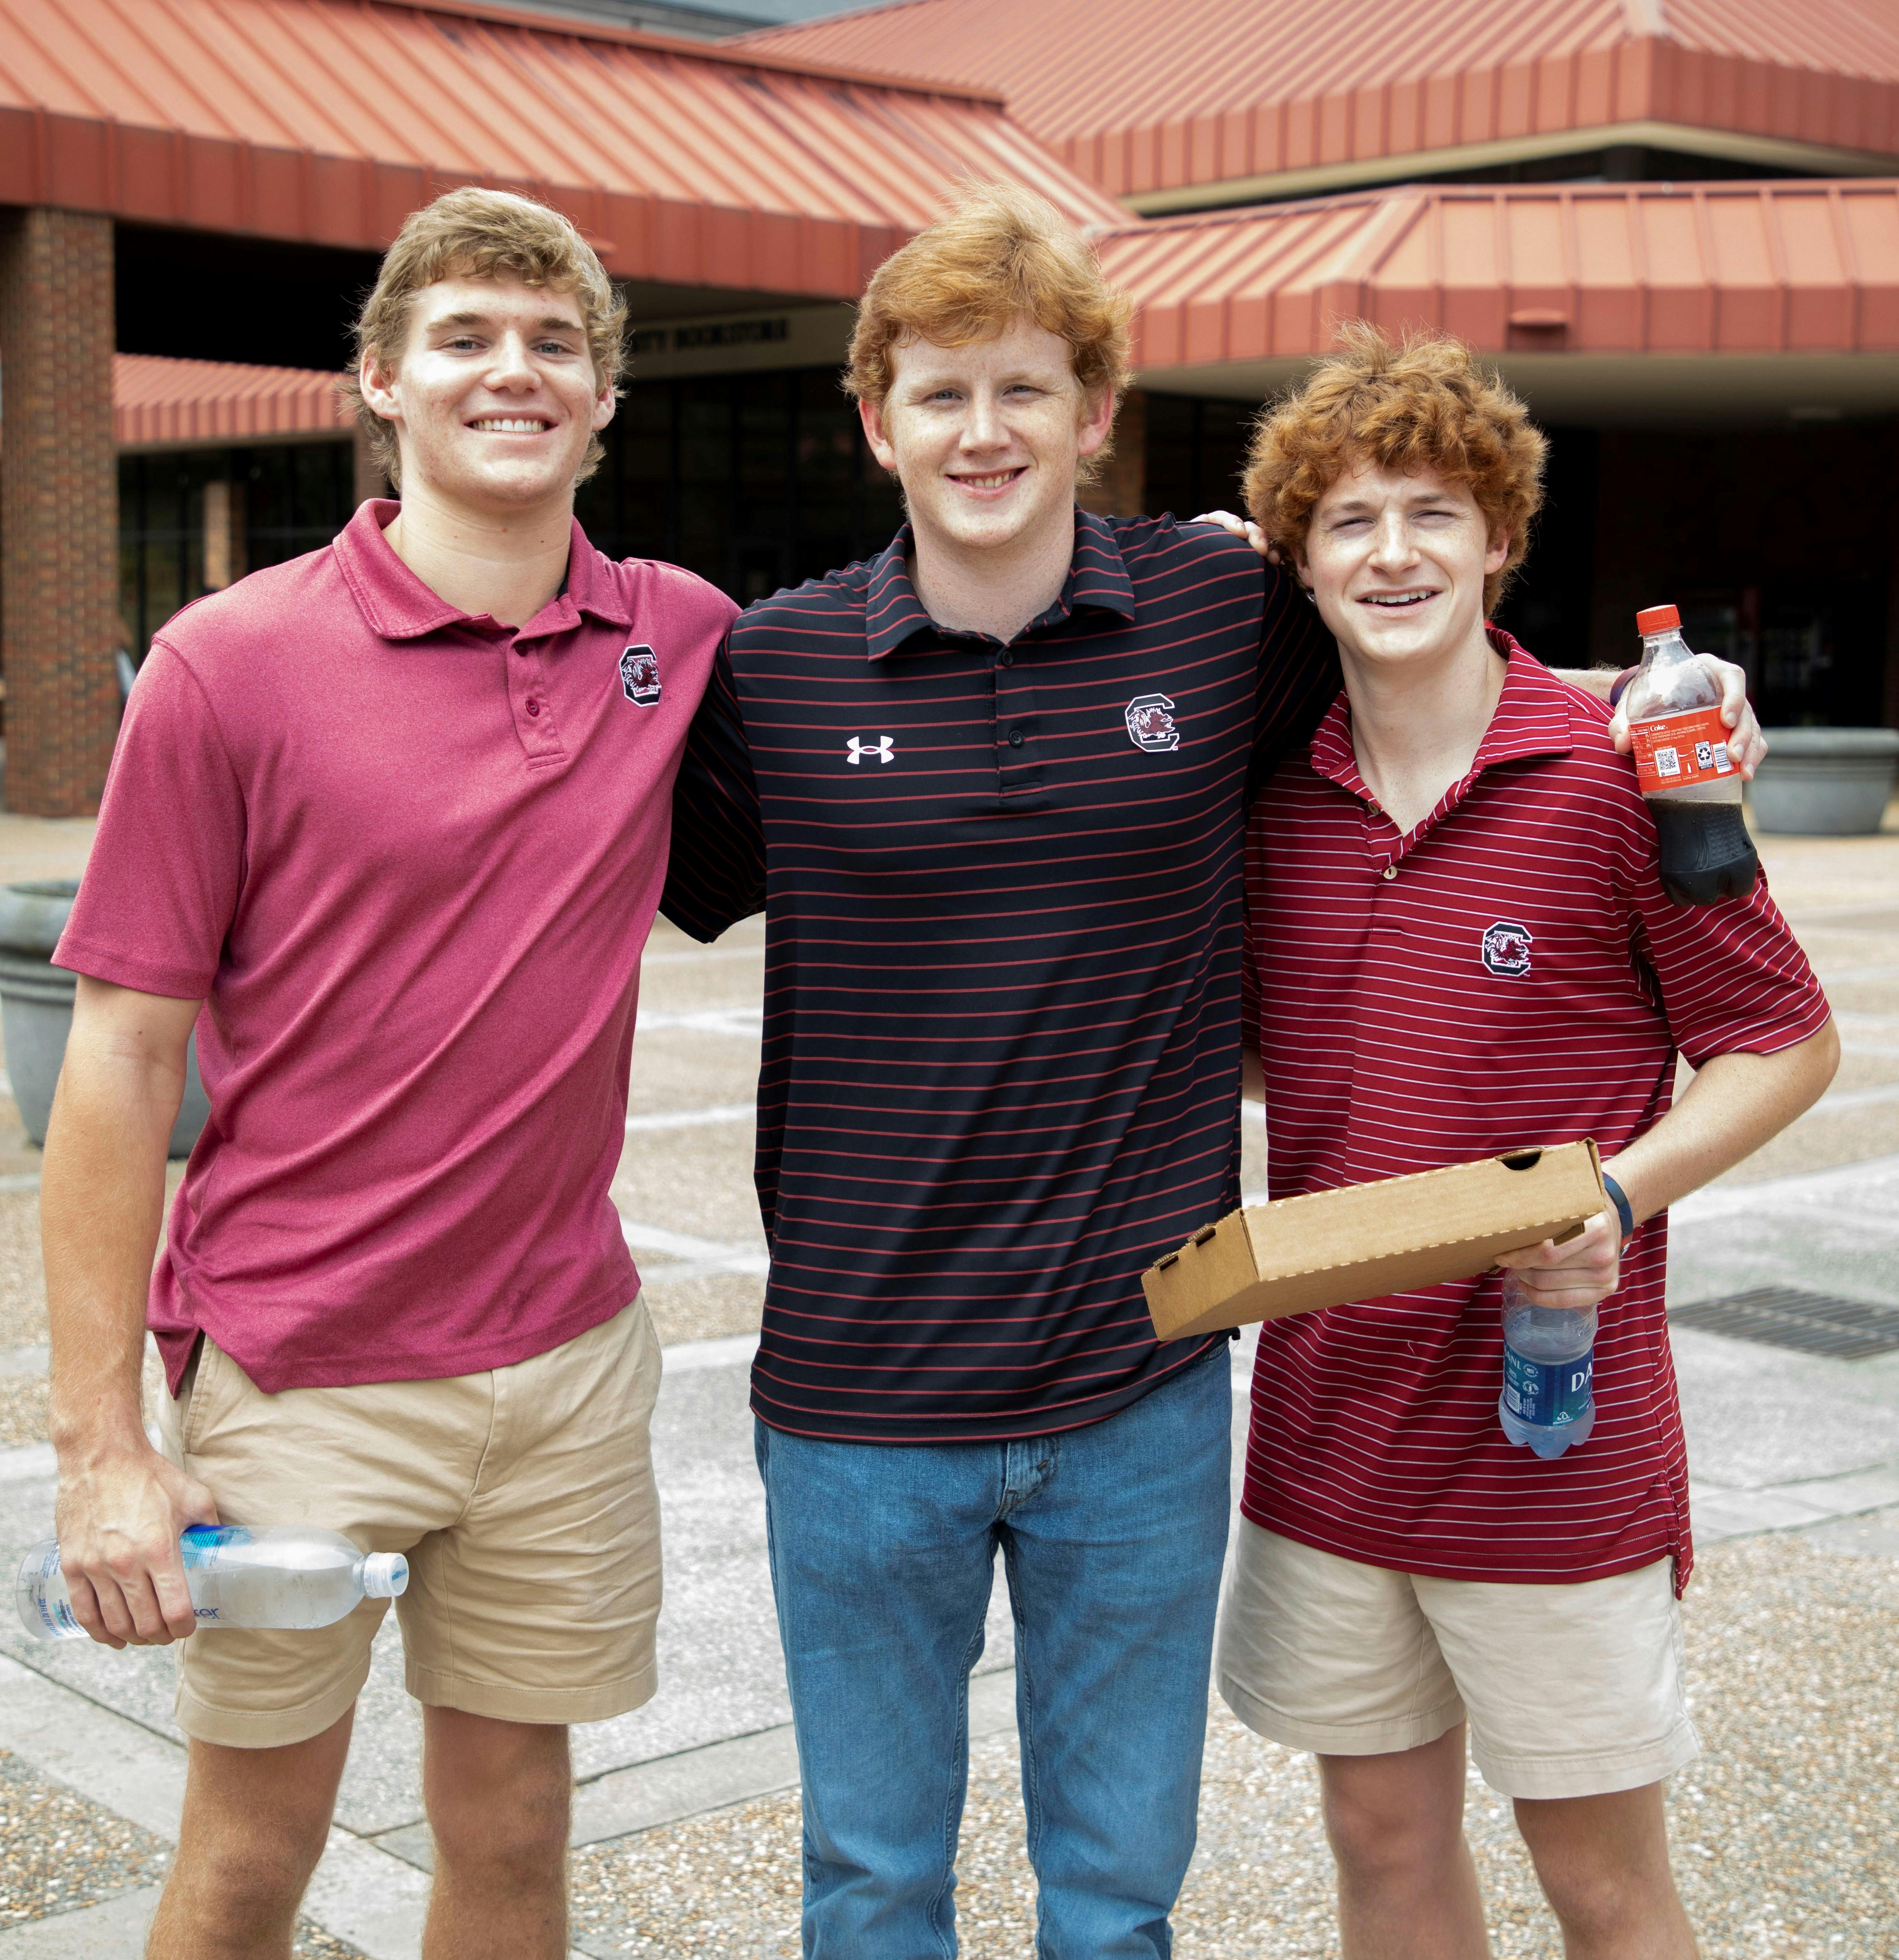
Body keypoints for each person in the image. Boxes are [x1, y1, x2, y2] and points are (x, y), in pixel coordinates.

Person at [659, 187, 1764, 1956]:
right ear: (872, 421)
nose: (983, 432)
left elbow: (1421, 663)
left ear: (1095, 410)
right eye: (939, 395)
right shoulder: (777, 670)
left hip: (1144, 1389)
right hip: (859, 1399)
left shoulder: (1212, 607)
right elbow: (572, 888)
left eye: (1026, 391)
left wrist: (1658, 719)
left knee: (1116, 1901)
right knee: (869, 1885)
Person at [41, 188, 736, 1960]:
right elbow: (116, 1063)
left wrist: (1170, 580)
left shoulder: (679, 635)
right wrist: (106, 1441)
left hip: (568, 1369)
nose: (513, 370)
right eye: (465, 337)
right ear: (382, 382)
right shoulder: (230, 662)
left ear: (604, 396)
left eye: (553, 341)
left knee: (510, 1843)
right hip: (301, 1371)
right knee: (248, 1862)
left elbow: (933, 670)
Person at [1213, 326, 1837, 1960]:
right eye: (1347, 521)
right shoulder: (1267, 792)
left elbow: (1783, 1040)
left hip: (1550, 1427)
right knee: (1381, 1846)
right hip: (1329, 1423)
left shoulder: (1622, 773)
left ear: (1501, 540)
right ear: (1299, 560)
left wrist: (1619, 1193)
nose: (1392, 552)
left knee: (1601, 1881)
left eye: (1432, 513)